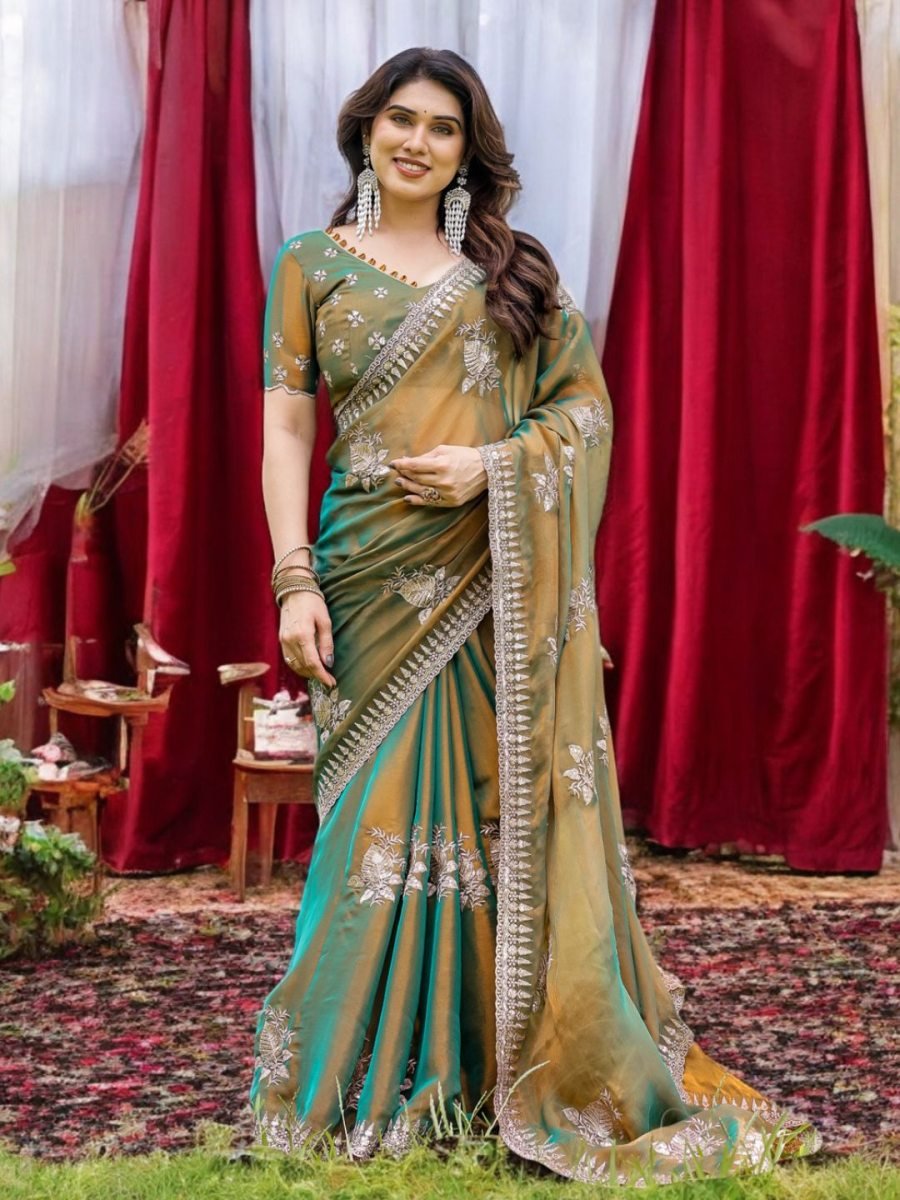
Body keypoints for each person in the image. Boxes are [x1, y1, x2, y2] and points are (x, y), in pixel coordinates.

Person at [248, 46, 820, 1184]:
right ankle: (355, 1082)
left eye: (443, 128)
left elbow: (584, 419)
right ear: (366, 130)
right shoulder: (309, 263)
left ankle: (477, 1071)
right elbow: (286, 432)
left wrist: (492, 470)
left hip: (489, 579)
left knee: (480, 817)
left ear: (470, 152)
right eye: (399, 120)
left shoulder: (511, 272)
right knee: (373, 822)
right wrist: (294, 579)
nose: (415, 141)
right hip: (365, 579)